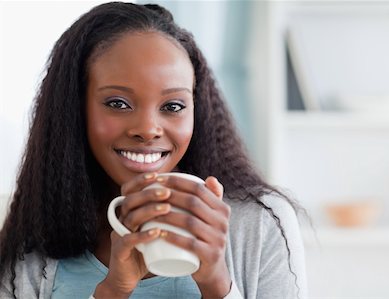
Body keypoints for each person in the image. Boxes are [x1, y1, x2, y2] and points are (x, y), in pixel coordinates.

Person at [0, 2, 307, 298]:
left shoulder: (261, 223)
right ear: (75, 109)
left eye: (173, 106)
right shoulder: (34, 234)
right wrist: (113, 291)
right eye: (118, 103)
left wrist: (217, 283)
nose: (147, 129)